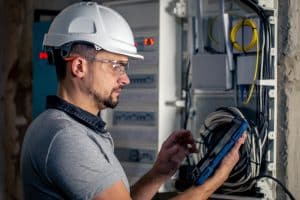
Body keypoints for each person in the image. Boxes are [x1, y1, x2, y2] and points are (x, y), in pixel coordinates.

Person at [20, 2, 246, 200]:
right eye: (115, 65)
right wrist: (212, 185)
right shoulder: (66, 137)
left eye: (125, 67)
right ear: (79, 66)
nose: (125, 78)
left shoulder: (73, 128)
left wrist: (158, 173)